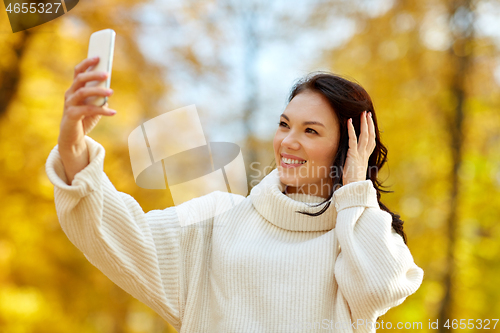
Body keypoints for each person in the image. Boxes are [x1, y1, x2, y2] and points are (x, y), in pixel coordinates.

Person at [46, 56, 424, 333]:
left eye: (311, 131)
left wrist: (356, 193)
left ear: (347, 149)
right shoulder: (219, 216)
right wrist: (72, 141)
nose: (288, 142)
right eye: (284, 124)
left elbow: (379, 288)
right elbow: (121, 233)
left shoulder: (359, 234)